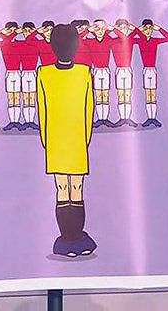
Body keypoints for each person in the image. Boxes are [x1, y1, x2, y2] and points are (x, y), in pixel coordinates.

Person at [36, 23, 96, 258]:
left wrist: (46, 140)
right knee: (77, 188)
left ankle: (67, 240)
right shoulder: (84, 73)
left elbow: (42, 111)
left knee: (62, 188)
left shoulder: (43, 73)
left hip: (55, 138)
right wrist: (85, 138)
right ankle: (77, 238)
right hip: (77, 137)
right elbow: (89, 110)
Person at [136, 19, 168, 127]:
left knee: (153, 93)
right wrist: (137, 30)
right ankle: (149, 117)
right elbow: (128, 39)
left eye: (150, 28)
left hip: (153, 69)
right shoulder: (140, 41)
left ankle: (153, 117)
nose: (148, 31)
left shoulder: (155, 40)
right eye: (145, 29)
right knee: (148, 94)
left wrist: (159, 29)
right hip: (145, 70)